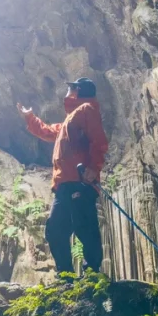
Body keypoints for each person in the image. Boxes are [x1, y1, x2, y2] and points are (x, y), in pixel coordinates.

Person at [17, 78, 108, 275]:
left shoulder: (86, 110)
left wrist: (93, 167)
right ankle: (65, 275)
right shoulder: (69, 120)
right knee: (56, 229)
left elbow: (98, 140)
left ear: (77, 91)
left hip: (80, 179)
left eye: (70, 88)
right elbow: (47, 131)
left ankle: (92, 273)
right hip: (63, 184)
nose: (66, 92)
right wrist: (30, 117)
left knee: (84, 226)